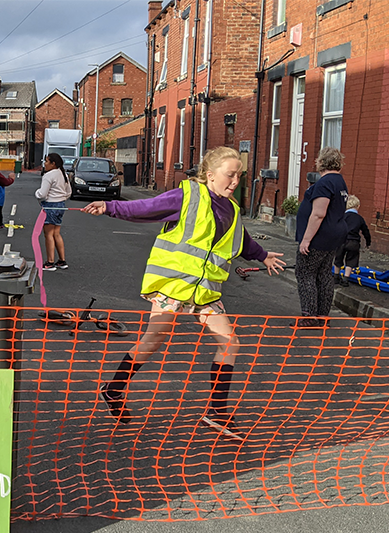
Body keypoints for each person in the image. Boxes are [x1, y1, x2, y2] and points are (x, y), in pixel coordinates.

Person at [82, 146, 285, 438]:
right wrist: (109, 206)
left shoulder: (232, 209)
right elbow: (146, 208)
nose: (235, 181)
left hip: (205, 292)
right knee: (152, 342)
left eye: (239, 175)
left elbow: (242, 240)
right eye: (230, 175)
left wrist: (263, 256)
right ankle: (113, 390)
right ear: (210, 174)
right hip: (173, 285)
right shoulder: (186, 195)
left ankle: (217, 413)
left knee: (230, 343)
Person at [295, 147, 349, 328]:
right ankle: (322, 316)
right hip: (334, 235)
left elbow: (318, 214)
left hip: (320, 236)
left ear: (322, 162)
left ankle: (310, 315)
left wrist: (306, 239)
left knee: (305, 273)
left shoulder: (325, 183)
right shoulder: (340, 182)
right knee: (324, 274)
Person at [35, 152, 71, 271]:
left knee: (48, 234)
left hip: (50, 206)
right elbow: (68, 192)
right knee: (56, 233)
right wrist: (61, 199)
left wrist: (37, 194)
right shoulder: (63, 174)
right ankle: (62, 260)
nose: (44, 164)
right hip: (61, 205)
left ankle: (50, 262)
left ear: (53, 163)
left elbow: (42, 193)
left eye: (46, 161)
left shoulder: (49, 175)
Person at [334, 195, 371, 284]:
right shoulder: (359, 218)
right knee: (351, 260)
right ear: (358, 206)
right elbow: (365, 231)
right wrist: (368, 241)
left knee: (338, 259)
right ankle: (346, 279)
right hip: (353, 242)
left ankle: (336, 277)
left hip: (341, 241)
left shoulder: (342, 216)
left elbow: (336, 227)